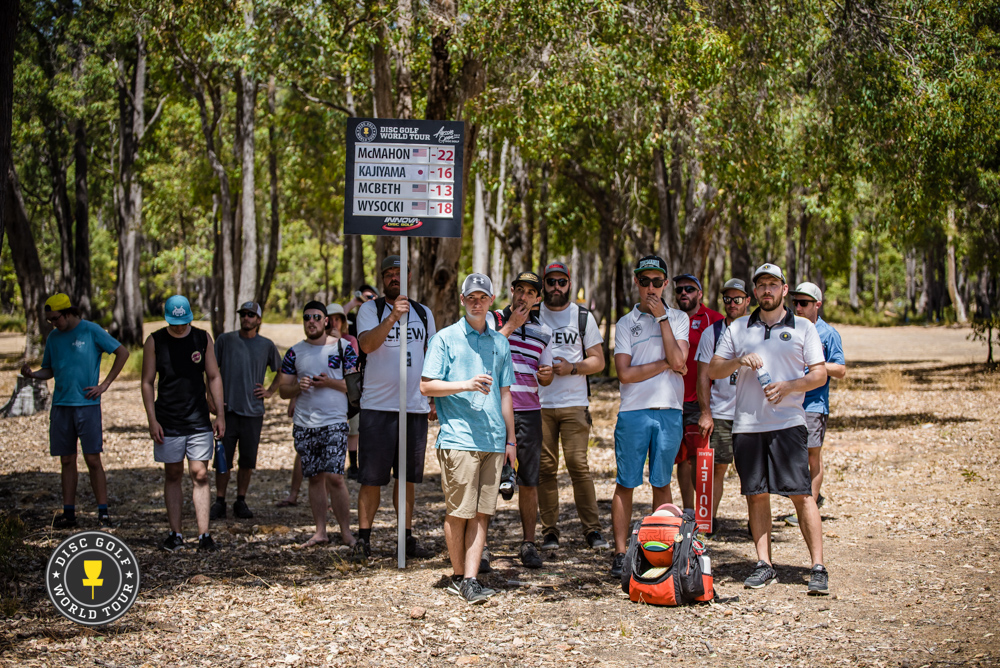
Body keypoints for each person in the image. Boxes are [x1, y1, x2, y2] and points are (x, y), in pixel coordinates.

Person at [708, 263, 830, 595]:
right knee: (756, 494)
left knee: (801, 495)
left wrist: (790, 386)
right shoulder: (737, 329)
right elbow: (714, 369)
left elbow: (819, 374)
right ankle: (764, 564)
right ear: (755, 291)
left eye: (772, 284)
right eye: (761, 285)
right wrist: (738, 362)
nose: (766, 290)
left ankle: (818, 567)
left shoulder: (804, 327)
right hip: (746, 425)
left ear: (784, 289)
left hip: (788, 423)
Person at [420, 273, 516, 604]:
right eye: (471, 297)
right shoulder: (445, 339)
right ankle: (459, 576)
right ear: (462, 301)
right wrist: (465, 384)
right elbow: (426, 386)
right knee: (459, 511)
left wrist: (511, 443)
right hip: (458, 438)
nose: (477, 302)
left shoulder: (500, 343)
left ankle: (471, 580)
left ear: (491, 301)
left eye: (483, 297)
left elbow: (506, 396)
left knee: (481, 513)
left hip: (493, 440)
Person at [609, 256, 690, 579]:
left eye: (658, 282)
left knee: (662, 482)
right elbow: (625, 374)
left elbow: (680, 360)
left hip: (669, 410)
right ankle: (618, 553)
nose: (652, 289)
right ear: (636, 282)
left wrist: (662, 320)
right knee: (626, 482)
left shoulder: (679, 318)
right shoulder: (625, 323)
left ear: (666, 284)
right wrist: (664, 364)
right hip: (633, 412)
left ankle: (663, 550)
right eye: (646, 282)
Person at [353, 255, 437, 562]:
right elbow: (366, 345)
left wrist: (433, 397)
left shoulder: (423, 313)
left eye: (398, 273)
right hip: (377, 407)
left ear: (409, 277)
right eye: (388, 274)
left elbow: (431, 356)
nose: (393, 278)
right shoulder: (369, 309)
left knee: (407, 478)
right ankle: (363, 539)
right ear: (382, 279)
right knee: (371, 478)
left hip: (413, 408)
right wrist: (390, 319)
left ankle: (405, 538)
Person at [20, 293, 129, 528]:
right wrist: (33, 375)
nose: (53, 323)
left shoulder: (91, 331)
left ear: (68, 313)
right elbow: (48, 369)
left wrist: (105, 384)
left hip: (87, 406)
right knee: (67, 459)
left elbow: (122, 352)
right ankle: (69, 513)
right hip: (61, 406)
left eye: (56, 318)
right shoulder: (53, 338)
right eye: (49, 320)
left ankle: (103, 512)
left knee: (92, 459)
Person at [141, 295, 225, 552]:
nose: (179, 327)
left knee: (200, 473)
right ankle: (175, 533)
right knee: (173, 474)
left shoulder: (202, 338)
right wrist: (152, 419)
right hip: (168, 419)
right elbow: (147, 381)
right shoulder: (155, 341)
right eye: (174, 322)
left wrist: (220, 414)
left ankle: (204, 535)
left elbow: (213, 376)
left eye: (183, 322)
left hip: (198, 418)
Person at [536, 261, 608, 551]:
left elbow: (599, 361)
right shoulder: (532, 314)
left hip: (574, 404)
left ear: (569, 283)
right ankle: (549, 532)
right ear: (544, 283)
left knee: (579, 466)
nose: (556, 287)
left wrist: (573, 368)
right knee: (545, 468)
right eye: (551, 282)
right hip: (539, 405)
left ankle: (592, 531)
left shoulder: (582, 317)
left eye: (561, 282)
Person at [484, 271, 554, 569]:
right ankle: (482, 546)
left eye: (530, 292)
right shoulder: (492, 320)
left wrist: (547, 375)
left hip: (529, 411)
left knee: (528, 479)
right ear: (511, 291)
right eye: (519, 290)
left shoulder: (544, 331)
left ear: (538, 298)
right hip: (493, 410)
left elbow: (545, 370)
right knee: (487, 478)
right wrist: (512, 326)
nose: (523, 296)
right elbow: (484, 354)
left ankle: (528, 543)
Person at [277, 301, 357, 548]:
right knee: (314, 478)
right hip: (305, 424)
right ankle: (320, 531)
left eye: (316, 317)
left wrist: (329, 383)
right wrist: (296, 388)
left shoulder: (343, 348)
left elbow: (355, 387)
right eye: (306, 317)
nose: (311, 321)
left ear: (326, 321)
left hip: (334, 421)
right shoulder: (294, 352)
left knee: (335, 477)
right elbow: (282, 390)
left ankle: (346, 532)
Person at [783, 282, 847, 527]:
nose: (798, 307)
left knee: (812, 454)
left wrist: (814, 363)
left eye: (804, 303)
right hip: (789, 402)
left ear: (817, 305)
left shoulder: (828, 333)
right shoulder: (788, 328)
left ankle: (809, 503)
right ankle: (808, 498)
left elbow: (840, 369)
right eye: (795, 302)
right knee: (791, 456)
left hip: (814, 404)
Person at [209, 301, 281, 521]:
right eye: (243, 314)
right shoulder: (225, 341)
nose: (247, 318)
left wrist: (269, 391)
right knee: (222, 459)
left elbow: (283, 370)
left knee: (247, 461)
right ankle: (219, 501)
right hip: (227, 411)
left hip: (253, 412)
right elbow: (210, 371)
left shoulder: (266, 345)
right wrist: (210, 399)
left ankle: (240, 500)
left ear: (258, 320)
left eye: (251, 315)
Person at [694, 278, 751, 531]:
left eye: (737, 299)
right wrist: (706, 412)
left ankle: (756, 523)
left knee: (752, 472)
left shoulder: (757, 330)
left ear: (748, 301)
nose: (732, 303)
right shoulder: (713, 333)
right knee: (716, 469)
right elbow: (703, 376)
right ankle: (707, 522)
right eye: (727, 299)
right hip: (721, 412)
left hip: (752, 414)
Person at [671, 273, 723, 512]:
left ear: (700, 294)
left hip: (701, 401)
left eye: (690, 289)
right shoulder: (669, 319)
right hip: (672, 400)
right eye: (680, 289)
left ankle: (705, 516)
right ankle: (688, 512)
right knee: (681, 459)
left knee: (700, 459)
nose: (684, 293)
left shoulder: (714, 320)